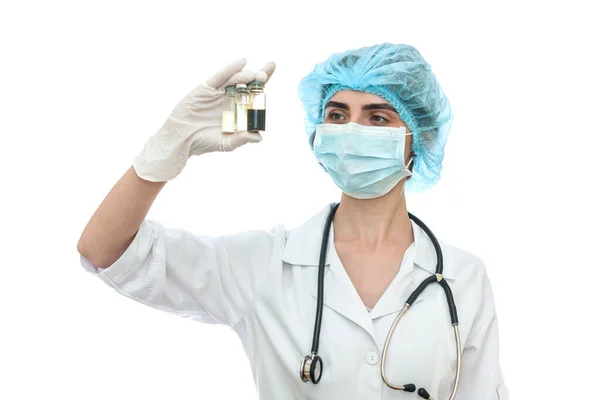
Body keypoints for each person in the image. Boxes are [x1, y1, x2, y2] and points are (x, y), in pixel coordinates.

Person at [77, 43, 508, 399]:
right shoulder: (262, 265)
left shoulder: (462, 279)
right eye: (337, 115)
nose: (351, 130)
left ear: (421, 138)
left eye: (377, 117)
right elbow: (105, 250)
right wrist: (166, 151)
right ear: (318, 132)